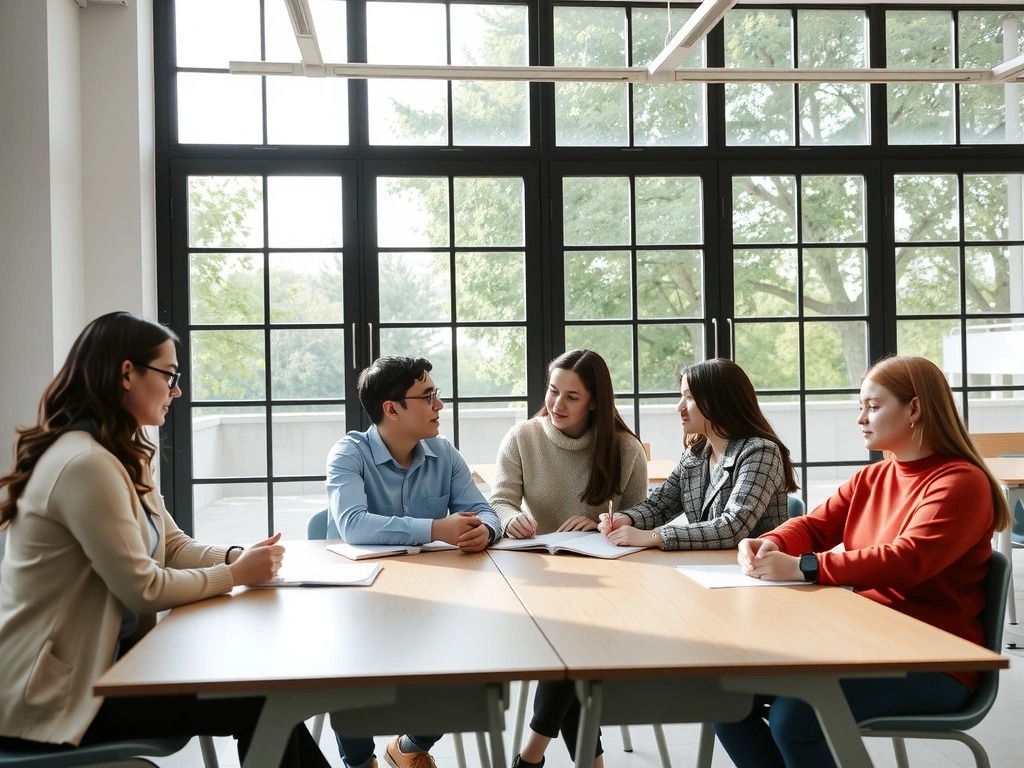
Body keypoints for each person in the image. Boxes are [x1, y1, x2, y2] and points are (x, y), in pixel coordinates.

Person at [0, 312, 329, 767]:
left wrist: (237, 556)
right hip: (57, 697)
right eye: (170, 375)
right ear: (127, 373)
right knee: (261, 700)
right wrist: (233, 574)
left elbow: (171, 546)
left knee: (261, 690)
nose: (177, 389)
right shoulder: (86, 464)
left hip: (113, 670)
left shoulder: (122, 452)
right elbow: (143, 588)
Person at [713, 355, 1012, 768]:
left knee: (797, 717)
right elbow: (813, 526)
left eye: (873, 406)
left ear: (915, 408)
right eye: (860, 407)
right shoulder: (871, 478)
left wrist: (806, 567)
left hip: (938, 662)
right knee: (726, 697)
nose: (861, 419)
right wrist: (767, 542)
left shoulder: (961, 482)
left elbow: (909, 560)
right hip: (866, 642)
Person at [325, 355, 501, 768]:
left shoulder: (445, 454)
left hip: (438, 602)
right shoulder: (349, 452)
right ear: (392, 409)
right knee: (346, 671)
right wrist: (436, 529)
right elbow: (352, 524)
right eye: (428, 396)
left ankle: (408, 748)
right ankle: (360, 762)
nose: (439, 405)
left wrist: (486, 530)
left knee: (485, 666)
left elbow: (485, 509)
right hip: (361, 605)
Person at [490, 349, 648, 768]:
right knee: (571, 647)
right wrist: (511, 523)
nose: (556, 404)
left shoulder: (625, 449)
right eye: (553, 391)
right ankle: (579, 762)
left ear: (595, 400)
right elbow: (500, 502)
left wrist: (601, 523)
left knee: (571, 645)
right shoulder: (524, 436)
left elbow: (640, 516)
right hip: (538, 578)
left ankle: (531, 757)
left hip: (609, 588)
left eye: (571, 397)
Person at [599, 357, 797, 550]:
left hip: (755, 573)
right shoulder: (696, 454)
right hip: (706, 567)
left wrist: (654, 536)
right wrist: (625, 519)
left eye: (690, 397)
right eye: (682, 396)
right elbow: (659, 506)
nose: (680, 407)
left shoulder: (760, 452)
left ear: (720, 402)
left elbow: (731, 528)